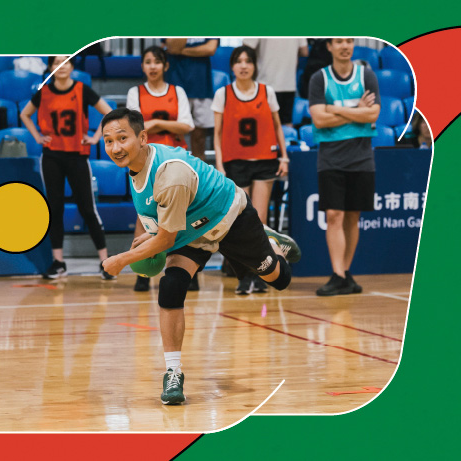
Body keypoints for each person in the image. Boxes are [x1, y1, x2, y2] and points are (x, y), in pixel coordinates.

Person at [100, 108, 301, 405]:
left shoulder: (170, 174)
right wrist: (151, 234)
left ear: (142, 138)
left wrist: (122, 259)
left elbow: (166, 239)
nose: (115, 147)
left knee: (279, 278)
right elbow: (163, 225)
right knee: (171, 286)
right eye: (108, 141)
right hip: (190, 230)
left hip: (227, 216)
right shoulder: (135, 168)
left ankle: (271, 242)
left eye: (122, 138)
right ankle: (173, 372)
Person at [20, 56, 115, 280]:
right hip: (52, 156)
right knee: (55, 209)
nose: (61, 66)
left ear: (72, 66)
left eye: (66, 62)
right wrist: (37, 136)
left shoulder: (82, 89)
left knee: (87, 209)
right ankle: (58, 262)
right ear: (50, 67)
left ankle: (106, 262)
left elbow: (109, 112)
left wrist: (96, 137)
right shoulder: (44, 92)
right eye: (56, 63)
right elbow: (24, 114)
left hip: (77, 156)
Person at [212, 45, 289, 295]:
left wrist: (284, 156)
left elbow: (277, 126)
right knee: (240, 222)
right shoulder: (223, 94)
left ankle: (261, 275)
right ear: (232, 66)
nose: (243, 65)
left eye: (248, 61)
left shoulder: (267, 92)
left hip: (265, 160)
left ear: (255, 65)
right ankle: (244, 276)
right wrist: (220, 164)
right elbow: (217, 133)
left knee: (259, 221)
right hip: (236, 162)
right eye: (239, 61)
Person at [308, 38, 381, 296]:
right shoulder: (319, 78)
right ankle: (338, 273)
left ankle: (346, 273)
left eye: (349, 40)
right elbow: (319, 119)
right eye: (339, 41)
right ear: (329, 46)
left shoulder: (366, 75)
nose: (345, 45)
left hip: (361, 157)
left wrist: (334, 109)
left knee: (352, 216)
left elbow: (372, 114)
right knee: (334, 215)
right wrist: (356, 110)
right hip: (331, 158)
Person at [127, 45, 195, 292]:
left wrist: (155, 123)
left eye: (157, 62)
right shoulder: (135, 93)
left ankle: (188, 271)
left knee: (183, 216)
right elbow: (133, 129)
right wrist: (167, 125)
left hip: (177, 161)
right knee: (144, 216)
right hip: (146, 162)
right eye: (148, 62)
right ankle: (142, 271)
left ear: (165, 66)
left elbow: (187, 125)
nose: (153, 66)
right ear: (142, 66)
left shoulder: (178, 92)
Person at [163, 38, 218, 161]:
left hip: (202, 87)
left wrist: (181, 51)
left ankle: (198, 173)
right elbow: (173, 47)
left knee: (200, 140)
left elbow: (210, 49)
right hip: (175, 85)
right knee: (174, 138)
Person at [242, 38, 308, 127]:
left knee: (261, 125)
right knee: (286, 125)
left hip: (265, 82)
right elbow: (304, 51)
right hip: (288, 84)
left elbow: (246, 49)